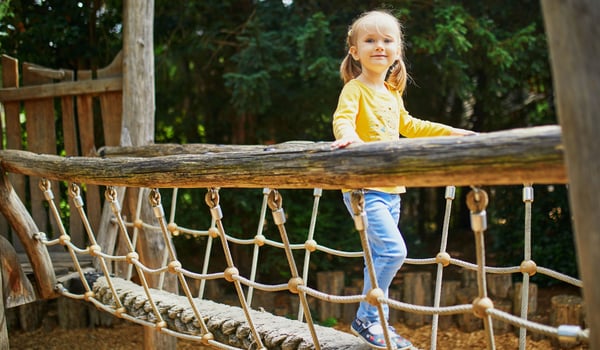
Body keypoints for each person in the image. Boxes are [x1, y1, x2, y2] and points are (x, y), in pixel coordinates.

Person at [331, 10, 475, 350]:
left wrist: (451, 132)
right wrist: (348, 137)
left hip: (392, 191)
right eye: (370, 40)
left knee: (377, 260)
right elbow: (343, 118)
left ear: (397, 50)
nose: (379, 46)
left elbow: (410, 126)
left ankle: (375, 322)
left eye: (387, 40)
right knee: (394, 252)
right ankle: (367, 318)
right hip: (364, 190)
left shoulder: (391, 93)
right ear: (354, 51)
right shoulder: (355, 89)